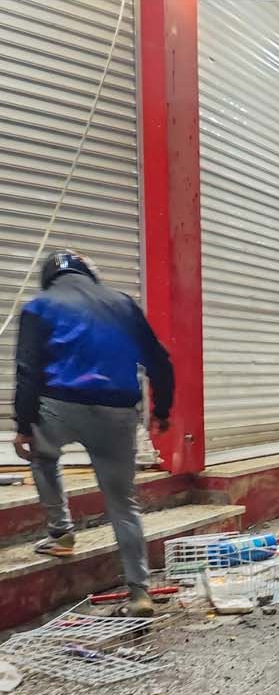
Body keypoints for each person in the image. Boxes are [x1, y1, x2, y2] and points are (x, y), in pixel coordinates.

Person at [18, 249, 176, 616]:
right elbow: (159, 361)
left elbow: (28, 370)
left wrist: (24, 427)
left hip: (59, 407)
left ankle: (61, 532)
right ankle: (139, 592)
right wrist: (163, 412)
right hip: (116, 414)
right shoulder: (122, 303)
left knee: (43, 457)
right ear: (88, 273)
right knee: (124, 505)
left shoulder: (38, 306)